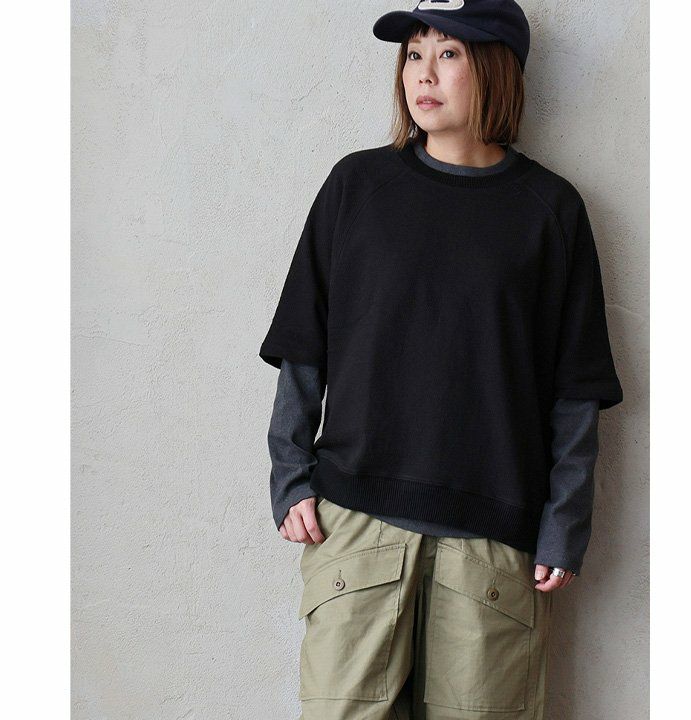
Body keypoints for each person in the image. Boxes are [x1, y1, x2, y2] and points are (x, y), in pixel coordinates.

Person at [259, 1, 623, 718]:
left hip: (493, 538)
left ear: (497, 70)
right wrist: (290, 474)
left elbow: (575, 390)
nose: (423, 73)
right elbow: (304, 344)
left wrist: (564, 523)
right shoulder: (356, 187)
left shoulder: (551, 210)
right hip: (355, 523)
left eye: (449, 53)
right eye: (414, 53)